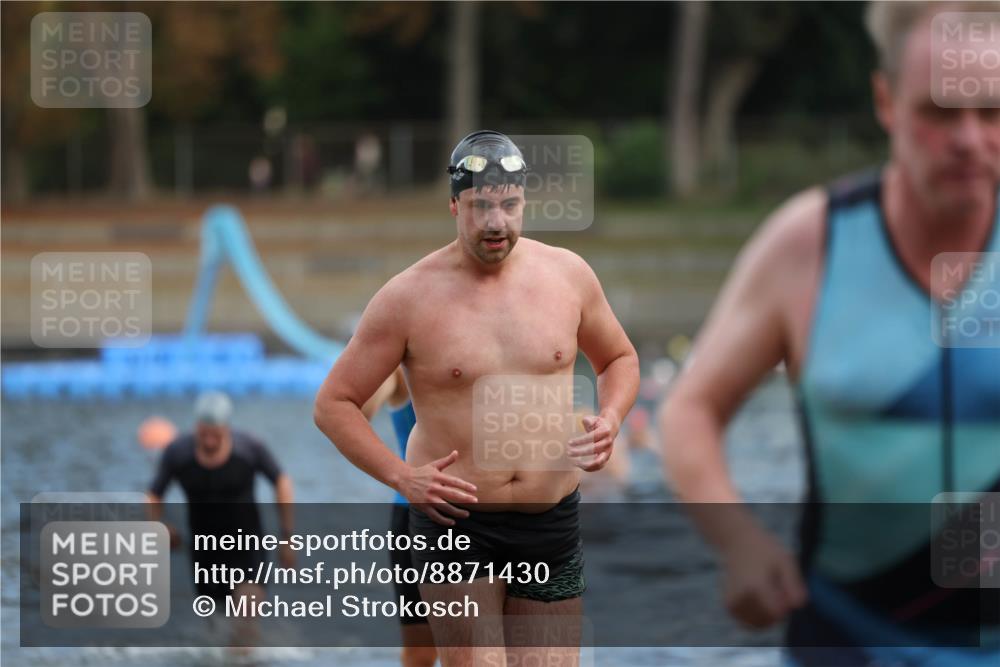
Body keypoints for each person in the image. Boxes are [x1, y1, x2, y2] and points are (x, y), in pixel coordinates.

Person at [659, 3, 999, 665]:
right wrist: (740, 542)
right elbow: (690, 407)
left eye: (992, 113)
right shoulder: (810, 244)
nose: (968, 139)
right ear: (886, 101)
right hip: (847, 640)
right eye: (939, 112)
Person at [314, 130, 640, 666]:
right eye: (480, 206)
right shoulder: (408, 297)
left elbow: (619, 360)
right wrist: (401, 477)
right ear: (453, 206)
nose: (496, 223)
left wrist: (612, 416)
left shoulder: (568, 276)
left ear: (524, 203)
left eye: (509, 206)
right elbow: (334, 403)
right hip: (456, 523)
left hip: (550, 517)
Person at [145, 391, 295, 645]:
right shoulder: (178, 454)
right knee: (217, 629)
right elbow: (153, 495)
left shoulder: (249, 449)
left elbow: (281, 481)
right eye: (204, 434)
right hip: (205, 552)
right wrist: (159, 526)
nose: (210, 441)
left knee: (245, 616)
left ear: (227, 428)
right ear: (196, 428)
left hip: (247, 548)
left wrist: (287, 537)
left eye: (216, 434)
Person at [362, 366, 438, 667]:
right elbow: (357, 409)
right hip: (414, 517)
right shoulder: (396, 370)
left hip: (484, 513)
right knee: (421, 653)